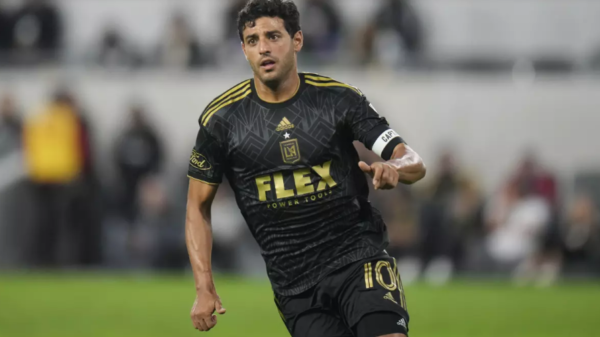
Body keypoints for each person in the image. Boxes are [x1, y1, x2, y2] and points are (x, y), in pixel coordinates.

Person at [184, 1, 426, 337]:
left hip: (358, 258)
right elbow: (197, 206)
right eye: (252, 40)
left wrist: (395, 167)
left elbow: (412, 159)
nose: (263, 48)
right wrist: (204, 287)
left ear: (297, 40)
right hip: (295, 286)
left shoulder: (338, 100)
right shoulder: (222, 122)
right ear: (242, 49)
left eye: (273, 36)